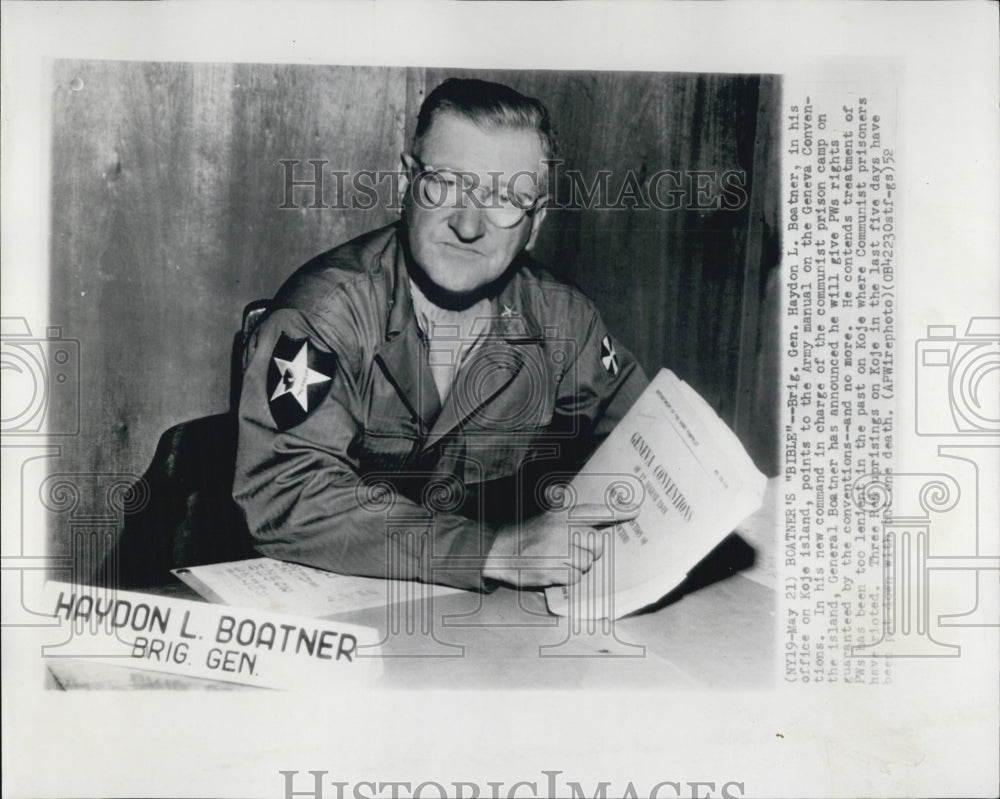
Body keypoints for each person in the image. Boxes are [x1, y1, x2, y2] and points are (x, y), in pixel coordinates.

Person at [233, 78, 648, 592]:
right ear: (407, 183)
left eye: (503, 197)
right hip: (334, 599)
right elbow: (287, 494)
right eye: (447, 183)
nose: (469, 224)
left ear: (535, 222)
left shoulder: (563, 320)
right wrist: (494, 550)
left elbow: (646, 443)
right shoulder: (324, 316)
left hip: (486, 619)